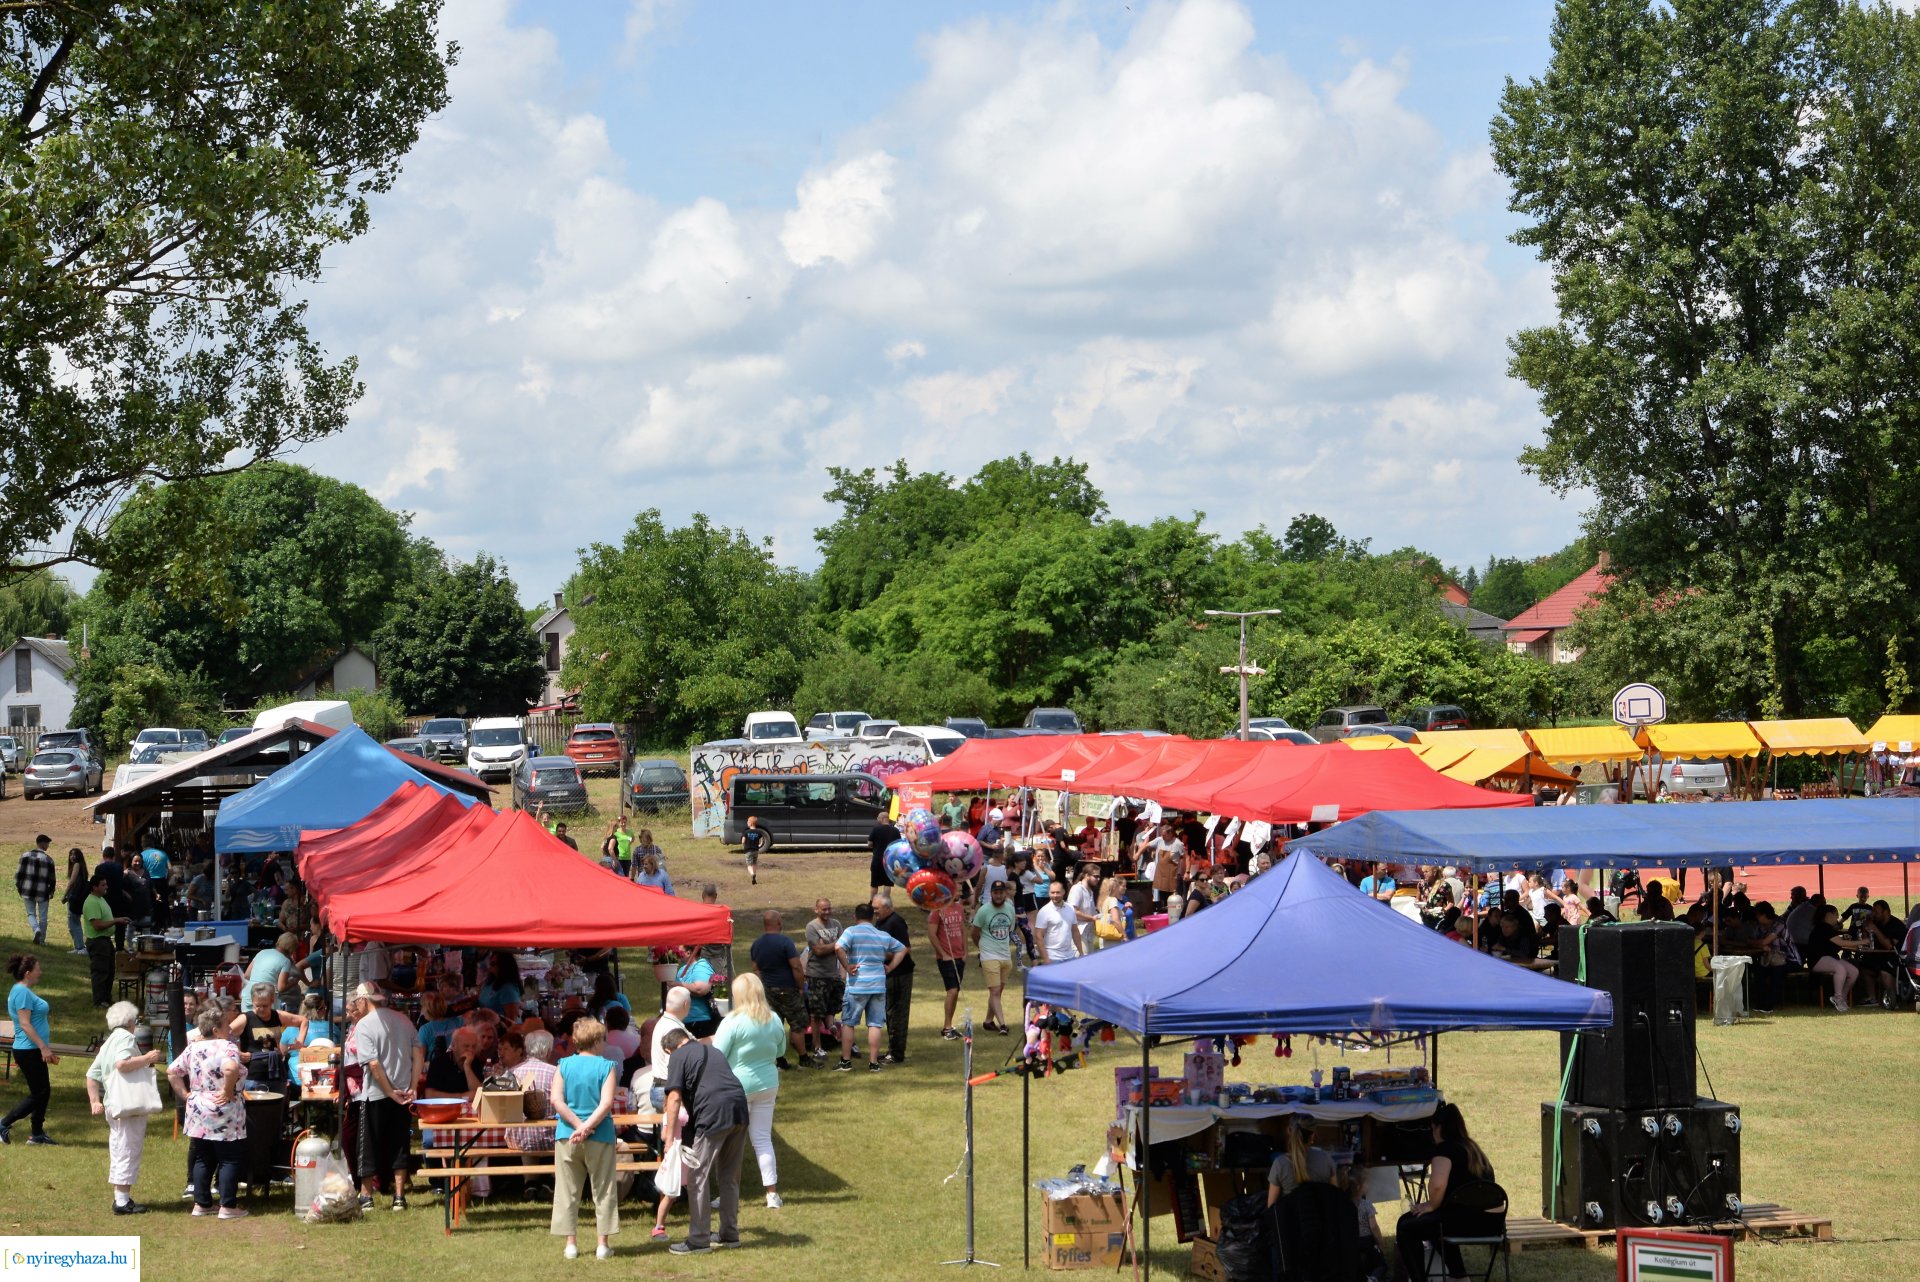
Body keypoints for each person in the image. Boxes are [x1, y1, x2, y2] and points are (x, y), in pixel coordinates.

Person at [661, 1026, 749, 1254]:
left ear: (671, 1050)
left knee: (697, 1176)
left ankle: (698, 1239)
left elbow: (674, 1098)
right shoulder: (713, 1050)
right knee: (729, 1176)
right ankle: (729, 1234)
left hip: (713, 1114)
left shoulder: (678, 1056)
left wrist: (669, 1139)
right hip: (739, 1109)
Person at [1396, 1103, 1502, 1281]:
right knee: (1435, 1221)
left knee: (1406, 1225)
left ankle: (1421, 1279)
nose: (1432, 1133)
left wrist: (1431, 1205)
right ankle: (1459, 1276)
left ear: (1440, 1128)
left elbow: (1437, 1185)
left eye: (1433, 1128)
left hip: (1464, 1222)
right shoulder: (1474, 1149)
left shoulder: (1445, 1150)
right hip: (1492, 1222)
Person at [168, 1005, 249, 1219]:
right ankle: (228, 1206)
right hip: (224, 1108)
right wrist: (228, 1089)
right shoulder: (227, 1046)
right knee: (229, 1158)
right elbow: (230, 1069)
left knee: (203, 1157)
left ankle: (202, 1204)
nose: (229, 1029)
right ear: (215, 1030)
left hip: (198, 1106)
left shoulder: (193, 1048)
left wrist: (185, 1094)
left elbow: (172, 1071)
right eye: (226, 1026)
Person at [714, 972, 787, 1209]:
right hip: (768, 1084)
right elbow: (780, 1051)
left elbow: (717, 1054)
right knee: (762, 1138)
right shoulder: (774, 1019)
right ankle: (772, 1194)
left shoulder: (732, 1021)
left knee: (732, 1143)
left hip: (738, 1087)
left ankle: (728, 1195)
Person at [550, 1016, 621, 1259]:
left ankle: (570, 1244)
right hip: (600, 1135)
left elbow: (556, 1100)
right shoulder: (607, 1066)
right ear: (597, 1040)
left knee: (567, 1190)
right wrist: (586, 1127)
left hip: (567, 1135)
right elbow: (606, 1103)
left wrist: (578, 1126)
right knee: (603, 1189)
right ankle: (602, 1245)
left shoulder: (563, 1065)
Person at [85, 1000, 163, 1213]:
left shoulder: (109, 1041)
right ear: (129, 1021)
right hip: (127, 1103)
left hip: (113, 1104)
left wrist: (95, 1101)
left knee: (120, 1147)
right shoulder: (126, 1038)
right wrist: (147, 1058)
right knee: (128, 1149)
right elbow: (122, 1064)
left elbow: (92, 1075)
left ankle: (120, 1198)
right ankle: (122, 1201)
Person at [347, 982, 417, 1211]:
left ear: (363, 1000)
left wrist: (388, 1091)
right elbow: (419, 1051)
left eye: (357, 1001)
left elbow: (374, 1064)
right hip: (403, 1092)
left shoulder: (364, 1025)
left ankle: (366, 1195)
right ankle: (399, 1196)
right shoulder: (403, 1020)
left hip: (376, 1094)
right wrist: (412, 1085)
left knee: (368, 1144)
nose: (356, 1005)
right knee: (400, 1142)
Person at [834, 902, 906, 1072]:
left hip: (857, 984)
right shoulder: (881, 934)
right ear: (873, 917)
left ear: (855, 917)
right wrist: (890, 967)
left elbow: (838, 947)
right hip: (878, 984)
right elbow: (902, 949)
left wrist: (847, 966)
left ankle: (846, 1061)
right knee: (875, 1024)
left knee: (849, 1023)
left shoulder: (851, 931)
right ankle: (873, 1063)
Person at [3, 954, 60, 1145]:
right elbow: (25, 1024)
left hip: (33, 1049)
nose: (40, 972)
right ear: (28, 973)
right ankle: (4, 1124)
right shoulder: (21, 992)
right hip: (29, 1050)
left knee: (43, 1091)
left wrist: (43, 1048)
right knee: (39, 1093)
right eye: (38, 969)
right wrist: (43, 1047)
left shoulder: (23, 991)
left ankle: (37, 1134)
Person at [748, 910, 807, 1067]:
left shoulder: (756, 944)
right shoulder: (785, 942)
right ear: (779, 922)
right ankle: (803, 1057)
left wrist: (764, 985)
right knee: (797, 1023)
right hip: (788, 989)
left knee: (774, 1024)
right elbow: (796, 966)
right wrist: (801, 987)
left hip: (768, 990)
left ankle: (779, 1060)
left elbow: (756, 969)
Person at [871, 890, 915, 1064]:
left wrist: (879, 954)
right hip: (887, 974)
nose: (874, 911)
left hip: (900, 974)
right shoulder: (880, 921)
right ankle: (892, 1049)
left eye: (877, 908)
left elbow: (906, 948)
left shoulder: (896, 922)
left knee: (898, 1013)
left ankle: (897, 1053)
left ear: (888, 908)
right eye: (873, 908)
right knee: (889, 1012)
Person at [970, 879, 1017, 1034]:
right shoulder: (984, 910)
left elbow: (1010, 928)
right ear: (991, 894)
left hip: (1005, 955)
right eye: (995, 893)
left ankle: (988, 1021)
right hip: (989, 956)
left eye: (1001, 892)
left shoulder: (1010, 908)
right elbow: (974, 933)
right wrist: (982, 948)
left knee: (997, 992)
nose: (998, 895)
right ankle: (1003, 1025)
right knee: (995, 991)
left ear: (1005, 893)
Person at [802, 898, 845, 1064]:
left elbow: (843, 946)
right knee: (816, 1014)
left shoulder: (836, 924)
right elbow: (818, 951)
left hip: (834, 975)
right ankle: (817, 1047)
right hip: (817, 975)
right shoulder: (811, 927)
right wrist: (835, 944)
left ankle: (841, 1037)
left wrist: (828, 945)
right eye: (823, 909)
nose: (827, 912)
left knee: (839, 1007)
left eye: (829, 909)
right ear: (816, 910)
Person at [237, 981, 301, 1090]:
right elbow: (224, 1034)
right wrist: (237, 1052)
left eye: (265, 1006)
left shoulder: (278, 1015)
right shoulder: (246, 1018)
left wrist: (300, 1041)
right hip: (253, 1076)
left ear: (272, 1000)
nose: (261, 1009)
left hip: (276, 1074)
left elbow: (303, 1021)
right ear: (252, 1001)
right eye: (257, 1006)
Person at [1807, 903, 1866, 1011]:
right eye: (1836, 915)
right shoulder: (1823, 928)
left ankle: (1842, 997)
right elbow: (1840, 943)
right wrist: (1862, 942)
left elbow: (1836, 941)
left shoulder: (1829, 929)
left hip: (1831, 959)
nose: (1837, 917)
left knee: (1853, 971)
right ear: (1828, 915)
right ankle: (1837, 997)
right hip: (1817, 960)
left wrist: (1843, 937)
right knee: (1840, 969)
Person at [81, 870, 127, 1009]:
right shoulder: (91, 902)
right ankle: (99, 1001)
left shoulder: (100, 899)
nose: (106, 887)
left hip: (105, 941)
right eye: (103, 885)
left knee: (109, 971)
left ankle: (106, 998)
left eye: (106, 884)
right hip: (97, 941)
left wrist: (118, 919)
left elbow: (105, 920)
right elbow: (97, 925)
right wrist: (116, 921)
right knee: (100, 972)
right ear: (94, 887)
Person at [927, 890, 968, 1040]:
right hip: (946, 958)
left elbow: (963, 929)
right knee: (952, 990)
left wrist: (965, 951)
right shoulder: (937, 910)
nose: (961, 892)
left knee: (956, 991)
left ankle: (949, 1025)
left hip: (959, 956)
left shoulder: (959, 908)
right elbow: (931, 933)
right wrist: (943, 954)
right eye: (958, 889)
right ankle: (947, 1027)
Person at [1265, 1116, 1335, 1205]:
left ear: (1289, 1131)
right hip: (1322, 1212)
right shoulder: (1326, 1158)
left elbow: (1271, 1205)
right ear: (1312, 1136)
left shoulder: (1280, 1163)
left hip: (1291, 1213)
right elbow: (1336, 1196)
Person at [14, 835, 55, 946]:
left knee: (31, 914)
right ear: (42, 843)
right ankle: (41, 941)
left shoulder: (25, 856)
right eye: (47, 843)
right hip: (43, 892)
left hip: (27, 890)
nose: (48, 845)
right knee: (43, 917)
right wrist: (51, 891)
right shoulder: (49, 860)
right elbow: (52, 879)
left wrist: (19, 888)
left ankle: (36, 929)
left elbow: (18, 875)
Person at [246, 931, 300, 1008]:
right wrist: (294, 982)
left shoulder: (262, 952)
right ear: (292, 948)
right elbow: (281, 988)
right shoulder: (285, 961)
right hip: (266, 1000)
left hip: (250, 996)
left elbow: (247, 975)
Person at [676, 946, 721, 1039]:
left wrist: (675, 985)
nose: (676, 952)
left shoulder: (702, 966)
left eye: (679, 950)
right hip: (682, 1021)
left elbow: (700, 989)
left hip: (699, 1022)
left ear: (689, 953)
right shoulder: (682, 969)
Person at [479, 950, 524, 1021]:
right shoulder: (490, 982)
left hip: (499, 1027)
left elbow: (511, 1020)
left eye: (493, 964)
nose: (489, 967)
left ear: (503, 966)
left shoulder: (508, 989)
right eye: (490, 963)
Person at [1066, 863, 1101, 954]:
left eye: (1099, 876)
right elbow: (1073, 911)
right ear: (1086, 875)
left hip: (1089, 933)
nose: (1098, 879)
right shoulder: (1077, 889)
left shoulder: (1090, 891)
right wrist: (1092, 918)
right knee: (1081, 959)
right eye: (1095, 876)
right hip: (1078, 932)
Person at [61, 848, 90, 954]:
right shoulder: (81, 866)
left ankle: (80, 947)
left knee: (73, 923)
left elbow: (72, 882)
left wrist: (65, 895)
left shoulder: (77, 865)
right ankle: (78, 947)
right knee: (75, 921)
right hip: (78, 897)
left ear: (79, 856)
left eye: (74, 854)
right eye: (71, 854)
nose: (72, 857)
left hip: (74, 897)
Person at [867, 812, 902, 892]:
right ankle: (886, 898)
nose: (877, 819)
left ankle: (872, 899)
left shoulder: (876, 829)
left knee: (874, 883)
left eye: (878, 818)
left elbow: (869, 843)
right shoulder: (895, 830)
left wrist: (874, 845)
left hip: (877, 860)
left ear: (883, 819)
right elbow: (899, 844)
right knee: (887, 883)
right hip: (889, 860)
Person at [741, 814, 766, 886]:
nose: (747, 823)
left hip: (748, 850)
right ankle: (754, 876)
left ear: (751, 823)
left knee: (749, 865)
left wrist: (744, 845)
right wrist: (758, 845)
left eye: (748, 822)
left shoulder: (746, 832)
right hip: (755, 850)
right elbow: (761, 840)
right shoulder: (758, 832)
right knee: (754, 863)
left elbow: (743, 841)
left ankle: (752, 874)